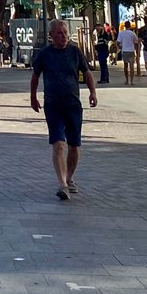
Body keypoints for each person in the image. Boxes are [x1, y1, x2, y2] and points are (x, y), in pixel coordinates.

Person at [30, 19, 99, 199]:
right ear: (51, 35)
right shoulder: (45, 54)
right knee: (58, 143)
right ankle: (62, 184)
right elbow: (35, 76)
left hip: (73, 104)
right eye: (59, 33)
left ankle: (69, 178)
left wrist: (93, 92)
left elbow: (87, 72)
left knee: (74, 145)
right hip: (53, 105)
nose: (63, 36)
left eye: (65, 33)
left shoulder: (75, 52)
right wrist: (33, 97)